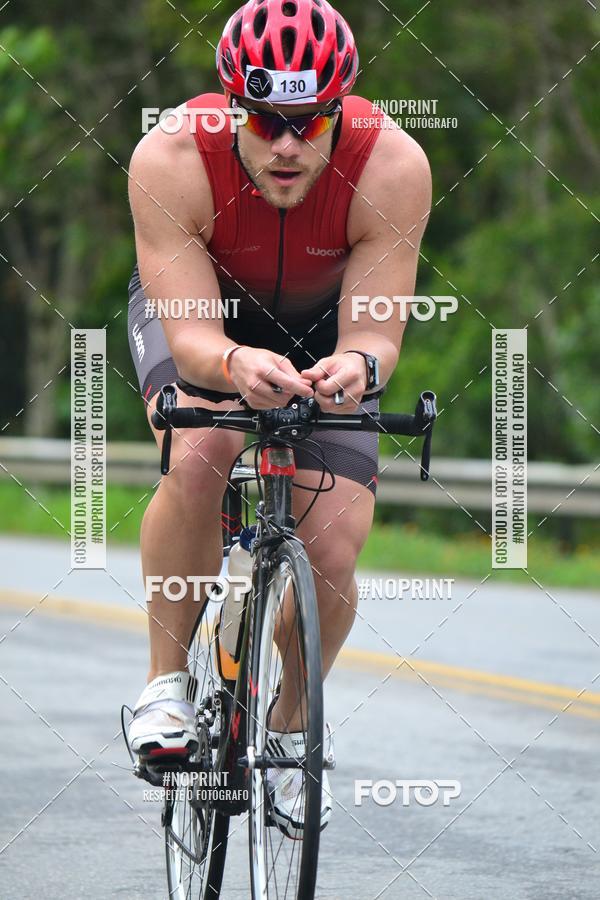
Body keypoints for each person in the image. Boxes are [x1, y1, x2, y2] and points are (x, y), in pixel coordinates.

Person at [126, 0, 431, 836]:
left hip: (327, 332)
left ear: (340, 108)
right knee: (203, 450)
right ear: (232, 108)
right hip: (204, 320)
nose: (287, 145)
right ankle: (162, 690)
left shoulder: (392, 165)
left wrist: (360, 366)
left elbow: (375, 331)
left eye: (309, 121)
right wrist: (228, 365)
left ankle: (293, 733)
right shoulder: (173, 156)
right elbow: (188, 332)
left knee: (330, 542)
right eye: (265, 121)